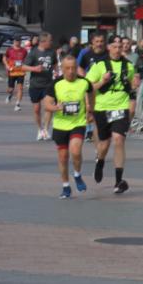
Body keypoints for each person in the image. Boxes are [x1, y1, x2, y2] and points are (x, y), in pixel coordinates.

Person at [87, 34, 138, 194]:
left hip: (121, 107)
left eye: (119, 47)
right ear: (109, 47)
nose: (117, 50)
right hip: (102, 107)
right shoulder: (99, 65)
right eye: (114, 47)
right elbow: (88, 87)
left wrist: (134, 90)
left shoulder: (129, 66)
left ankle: (118, 180)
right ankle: (100, 162)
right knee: (104, 144)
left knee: (118, 139)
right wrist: (102, 81)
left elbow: (131, 87)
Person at [43, 55, 91, 199]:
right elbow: (46, 105)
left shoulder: (84, 82)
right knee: (63, 157)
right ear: (62, 69)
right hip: (60, 125)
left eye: (73, 68)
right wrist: (56, 107)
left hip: (78, 123)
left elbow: (92, 94)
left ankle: (77, 174)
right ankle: (66, 186)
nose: (71, 71)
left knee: (75, 151)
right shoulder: (55, 84)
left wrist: (91, 111)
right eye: (67, 68)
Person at [20, 33, 58, 141]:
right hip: (35, 84)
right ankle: (39, 129)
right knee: (36, 109)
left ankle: (46, 129)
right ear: (43, 42)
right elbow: (23, 67)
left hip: (48, 84)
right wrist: (34, 69)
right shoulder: (33, 52)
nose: (51, 42)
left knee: (49, 107)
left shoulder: (52, 52)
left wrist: (56, 72)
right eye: (50, 41)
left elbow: (55, 64)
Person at [3, 36, 28, 112]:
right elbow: (4, 58)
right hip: (12, 71)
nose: (17, 42)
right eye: (16, 41)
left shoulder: (24, 51)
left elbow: (27, 59)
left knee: (20, 88)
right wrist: (7, 65)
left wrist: (26, 66)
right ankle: (10, 94)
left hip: (20, 71)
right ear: (14, 42)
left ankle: (17, 104)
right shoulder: (9, 50)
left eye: (19, 41)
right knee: (10, 89)